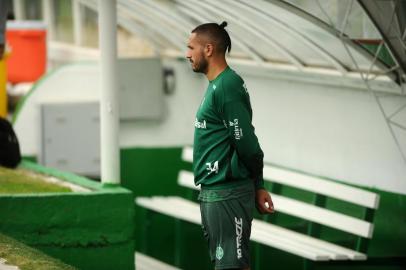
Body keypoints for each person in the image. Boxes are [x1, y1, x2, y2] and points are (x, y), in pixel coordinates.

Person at [186, 21, 275, 270]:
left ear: (209, 49)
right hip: (217, 194)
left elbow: (246, 142)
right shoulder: (217, 86)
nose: (187, 54)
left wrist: (258, 184)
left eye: (191, 47)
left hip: (229, 194)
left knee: (233, 267)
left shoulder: (227, 85)